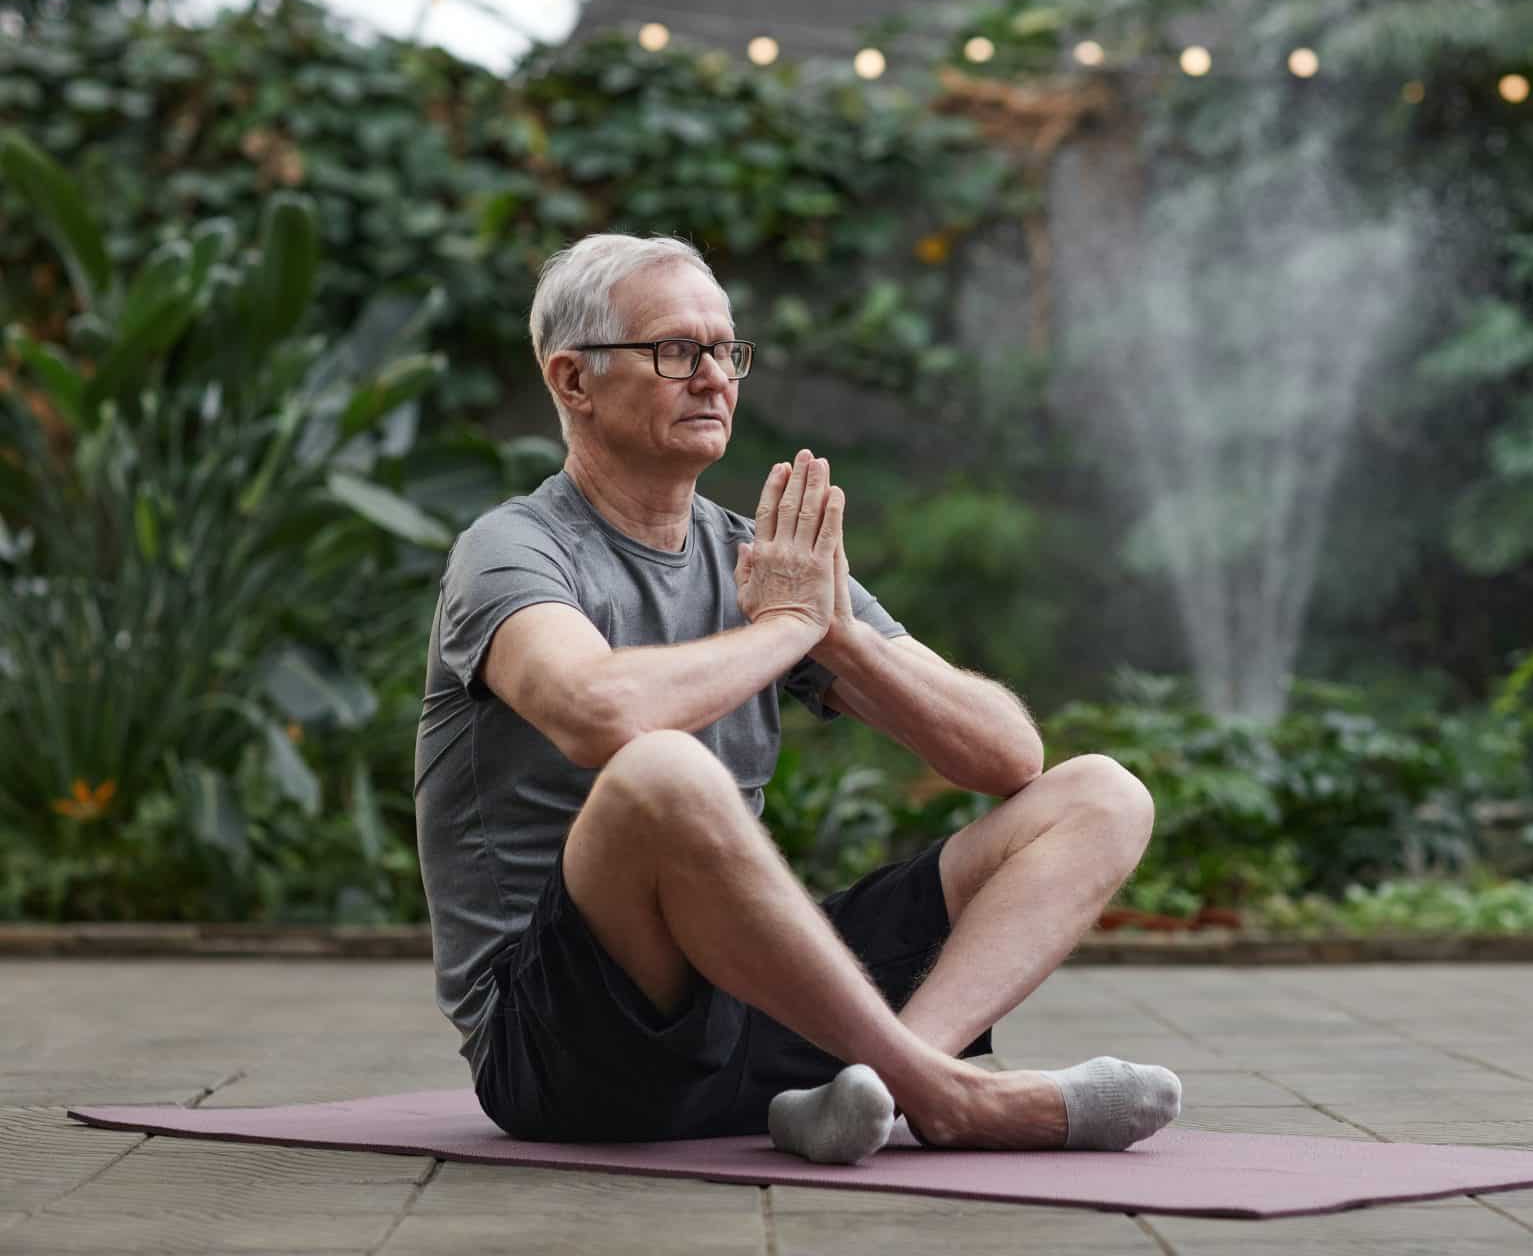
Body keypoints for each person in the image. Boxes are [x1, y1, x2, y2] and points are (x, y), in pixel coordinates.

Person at [413, 233, 1182, 1164]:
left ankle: (883, 1088)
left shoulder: (767, 561)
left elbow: (1006, 756)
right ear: (572, 381)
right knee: (660, 769)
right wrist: (786, 629)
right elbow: (597, 714)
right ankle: (949, 1094)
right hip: (569, 1049)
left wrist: (840, 632)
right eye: (674, 351)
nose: (713, 378)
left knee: (1100, 794)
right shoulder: (512, 550)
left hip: (755, 1010)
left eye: (725, 350)